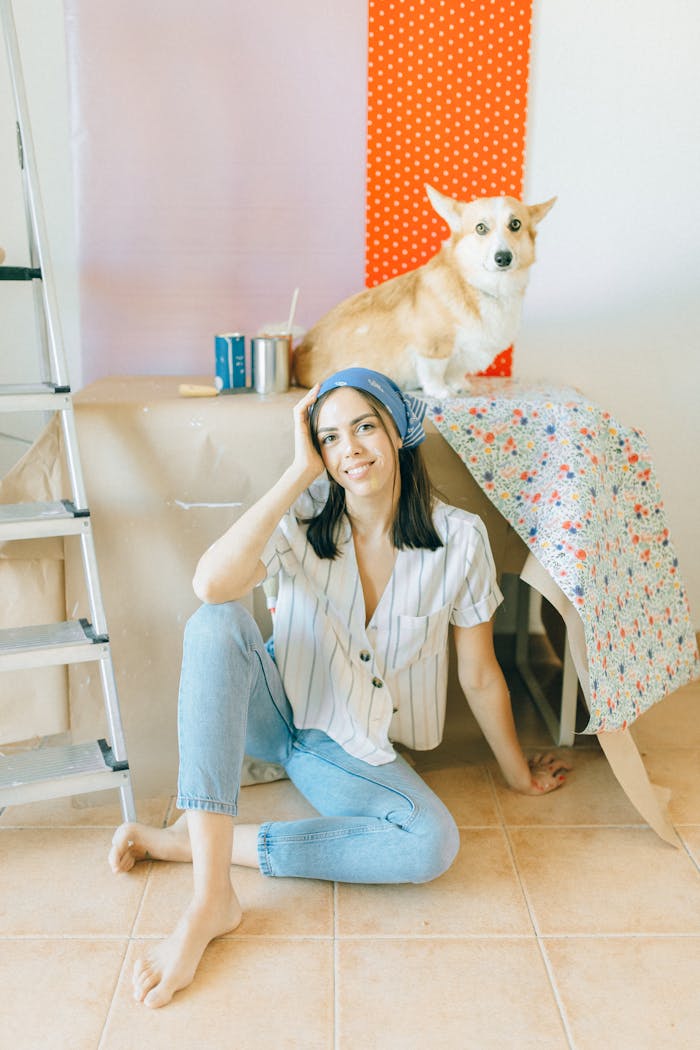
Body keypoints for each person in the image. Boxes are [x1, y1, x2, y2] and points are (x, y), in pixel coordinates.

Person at [109, 366, 570, 1008]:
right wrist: (300, 473)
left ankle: (185, 842)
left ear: (398, 431)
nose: (349, 449)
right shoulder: (301, 516)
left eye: (363, 427)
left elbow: (479, 671)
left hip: (342, 747)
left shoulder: (459, 539)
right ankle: (210, 900)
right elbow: (212, 586)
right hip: (271, 712)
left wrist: (517, 775)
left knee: (431, 842)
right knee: (215, 622)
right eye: (329, 438)